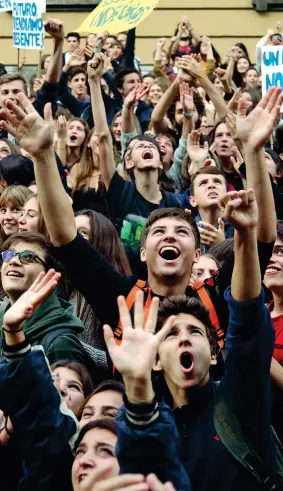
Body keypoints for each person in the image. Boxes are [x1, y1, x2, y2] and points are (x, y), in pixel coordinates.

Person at [0, 87, 279, 362]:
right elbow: (65, 237)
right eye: (159, 231)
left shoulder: (216, 295)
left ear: (197, 254)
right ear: (143, 252)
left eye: (181, 232)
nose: (169, 237)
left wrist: (254, 150)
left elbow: (261, 242)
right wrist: (43, 156)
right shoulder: (121, 298)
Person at [105, 187, 280, 491]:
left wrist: (245, 235)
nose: (184, 339)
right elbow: (140, 470)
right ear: (155, 359)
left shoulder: (238, 398)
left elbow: (247, 321)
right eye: (171, 334)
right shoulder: (148, 421)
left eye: (195, 332)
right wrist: (136, 386)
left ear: (214, 354)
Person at [0, 231, 93, 369]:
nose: (13, 261)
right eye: (9, 255)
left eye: (28, 257)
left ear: (51, 274)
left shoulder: (60, 343)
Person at [189, 167, 234, 251]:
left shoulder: (240, 228)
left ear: (228, 196)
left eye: (217, 182)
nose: (211, 185)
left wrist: (222, 246)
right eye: (203, 183)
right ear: (193, 201)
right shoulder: (188, 230)